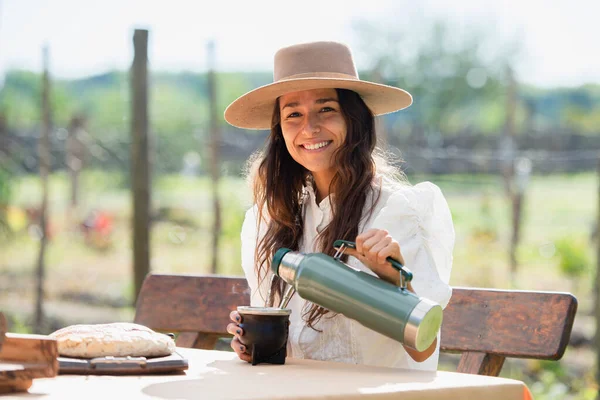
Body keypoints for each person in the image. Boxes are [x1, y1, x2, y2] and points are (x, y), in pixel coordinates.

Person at [224, 41, 454, 370]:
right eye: (293, 114)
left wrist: (392, 279)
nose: (310, 127)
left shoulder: (395, 212)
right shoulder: (271, 218)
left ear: (353, 118)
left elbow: (424, 350)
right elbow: (283, 340)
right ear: (280, 131)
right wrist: (251, 343)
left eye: (326, 109)